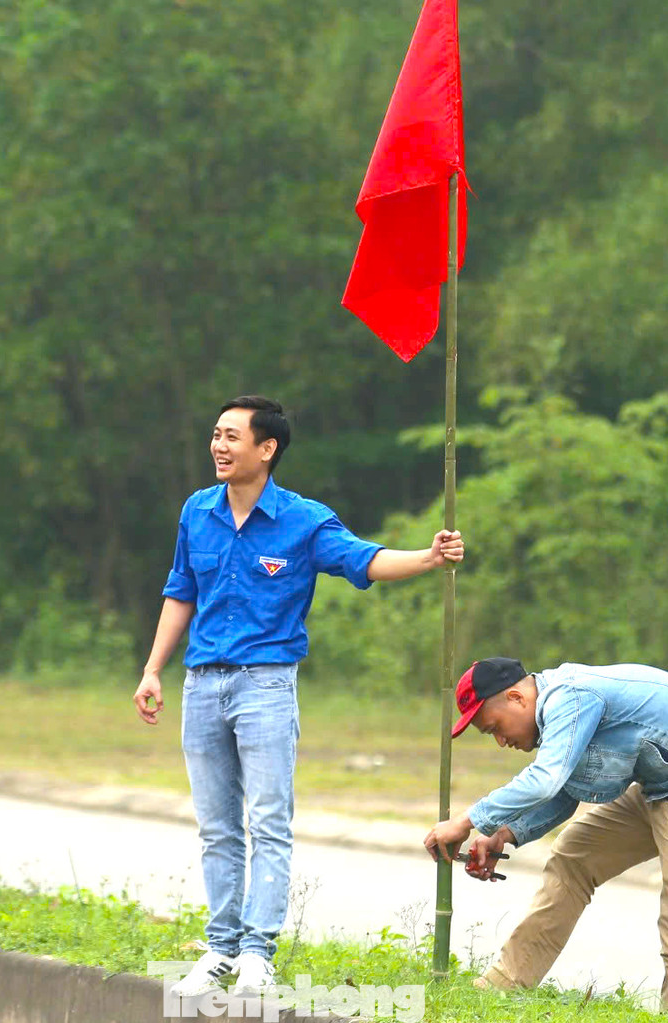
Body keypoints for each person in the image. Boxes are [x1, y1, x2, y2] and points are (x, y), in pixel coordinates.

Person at [136, 395, 463, 999]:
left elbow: (365, 559)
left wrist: (428, 556)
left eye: (232, 436)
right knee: (216, 827)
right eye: (216, 434)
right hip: (202, 684)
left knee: (268, 821)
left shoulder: (303, 520)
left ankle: (257, 952)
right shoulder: (197, 511)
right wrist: (153, 669)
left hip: (265, 686)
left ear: (267, 449)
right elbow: (180, 590)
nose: (219, 446)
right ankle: (219, 948)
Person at [423, 657, 668, 1015]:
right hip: (662, 790)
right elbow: (567, 787)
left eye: (495, 728)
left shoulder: (571, 697)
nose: (501, 741)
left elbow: (546, 779)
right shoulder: (561, 705)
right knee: (573, 857)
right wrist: (504, 833)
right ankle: (503, 986)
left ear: (517, 698)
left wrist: (467, 821)